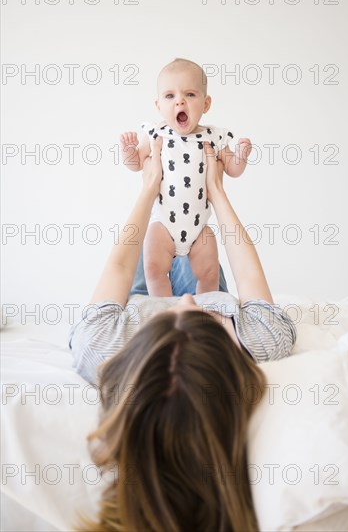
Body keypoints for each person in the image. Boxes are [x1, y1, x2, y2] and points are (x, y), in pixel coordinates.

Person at [69, 138, 297, 532]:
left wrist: (149, 187)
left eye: (175, 314)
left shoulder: (102, 346)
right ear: (229, 350)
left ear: (138, 351)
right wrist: (216, 192)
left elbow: (121, 269)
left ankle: (171, 311)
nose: (186, 297)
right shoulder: (261, 339)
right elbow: (246, 277)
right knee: (205, 258)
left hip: (141, 294)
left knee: (151, 250)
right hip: (209, 274)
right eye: (207, 318)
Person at [120, 58, 252, 296]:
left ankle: (203, 310)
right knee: (152, 268)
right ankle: (164, 311)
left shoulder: (214, 136)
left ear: (206, 103)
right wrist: (129, 152)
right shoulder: (155, 133)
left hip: (198, 227)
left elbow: (232, 169)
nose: (179, 100)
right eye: (169, 96)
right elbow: (137, 163)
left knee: (209, 271)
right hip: (163, 224)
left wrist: (240, 157)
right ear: (158, 105)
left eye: (190, 94)